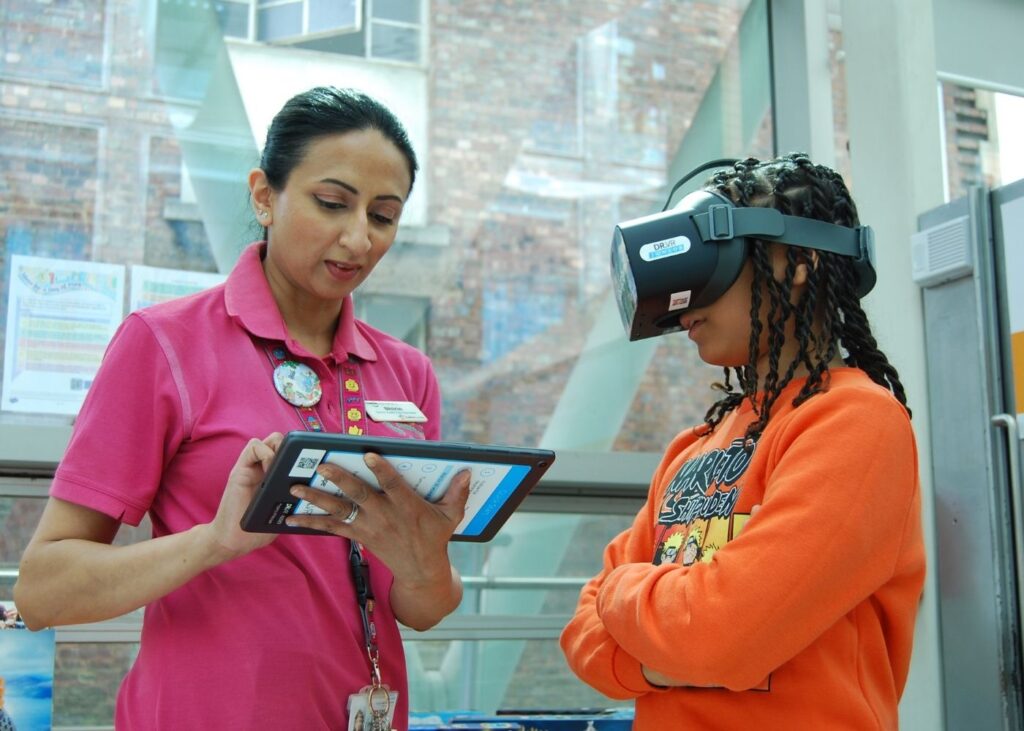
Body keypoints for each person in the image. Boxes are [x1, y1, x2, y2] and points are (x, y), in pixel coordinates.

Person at [14, 86, 470, 730]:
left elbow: (420, 609)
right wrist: (214, 543)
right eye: (332, 203)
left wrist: (428, 561)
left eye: (383, 216)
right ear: (264, 195)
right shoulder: (165, 343)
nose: (357, 237)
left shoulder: (406, 371)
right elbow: (42, 589)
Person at [560, 153, 925, 729]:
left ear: (798, 262)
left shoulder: (856, 421)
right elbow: (580, 638)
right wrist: (673, 654)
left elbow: (718, 634)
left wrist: (622, 591)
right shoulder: (693, 446)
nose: (686, 298)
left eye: (718, 255)